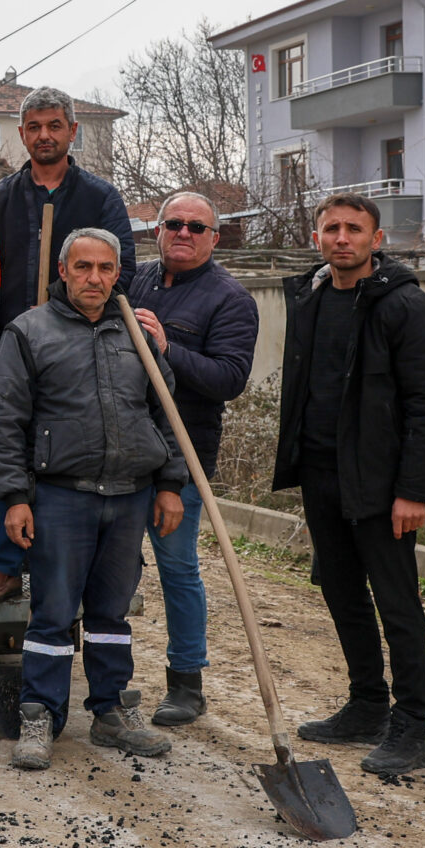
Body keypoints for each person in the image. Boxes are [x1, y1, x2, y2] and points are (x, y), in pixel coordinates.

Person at [0, 228, 188, 770]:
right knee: (51, 614)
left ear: (117, 273)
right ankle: (39, 717)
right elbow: (6, 423)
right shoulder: (28, 332)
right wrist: (13, 497)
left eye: (104, 268)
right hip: (60, 497)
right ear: (64, 270)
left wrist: (171, 484)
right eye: (83, 268)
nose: (94, 278)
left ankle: (110, 713)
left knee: (111, 614)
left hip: (130, 497)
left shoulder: (136, 335)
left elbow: (166, 413)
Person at [272, 192, 425, 777]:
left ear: (377, 239)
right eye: (331, 228)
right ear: (317, 236)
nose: (341, 238)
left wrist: (414, 489)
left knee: (398, 604)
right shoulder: (309, 297)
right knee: (342, 593)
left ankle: (412, 727)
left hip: (381, 483)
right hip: (322, 474)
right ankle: (367, 704)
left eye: (354, 229)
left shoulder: (406, 306)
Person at [0, 86, 138, 607]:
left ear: (71, 131)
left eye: (54, 126)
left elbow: (122, 270)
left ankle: (72, 564)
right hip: (7, 351)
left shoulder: (100, 198)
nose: (44, 135)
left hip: (79, 354)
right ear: (22, 135)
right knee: (3, 451)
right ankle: (4, 564)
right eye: (35, 127)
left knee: (67, 460)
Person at [127, 191, 259, 725]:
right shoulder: (131, 281)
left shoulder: (231, 299)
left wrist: (167, 349)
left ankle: (186, 682)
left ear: (214, 237)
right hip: (117, 449)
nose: (183, 233)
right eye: (173, 223)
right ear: (156, 230)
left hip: (180, 455)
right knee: (110, 567)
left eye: (196, 227)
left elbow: (229, 379)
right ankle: (110, 673)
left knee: (177, 567)